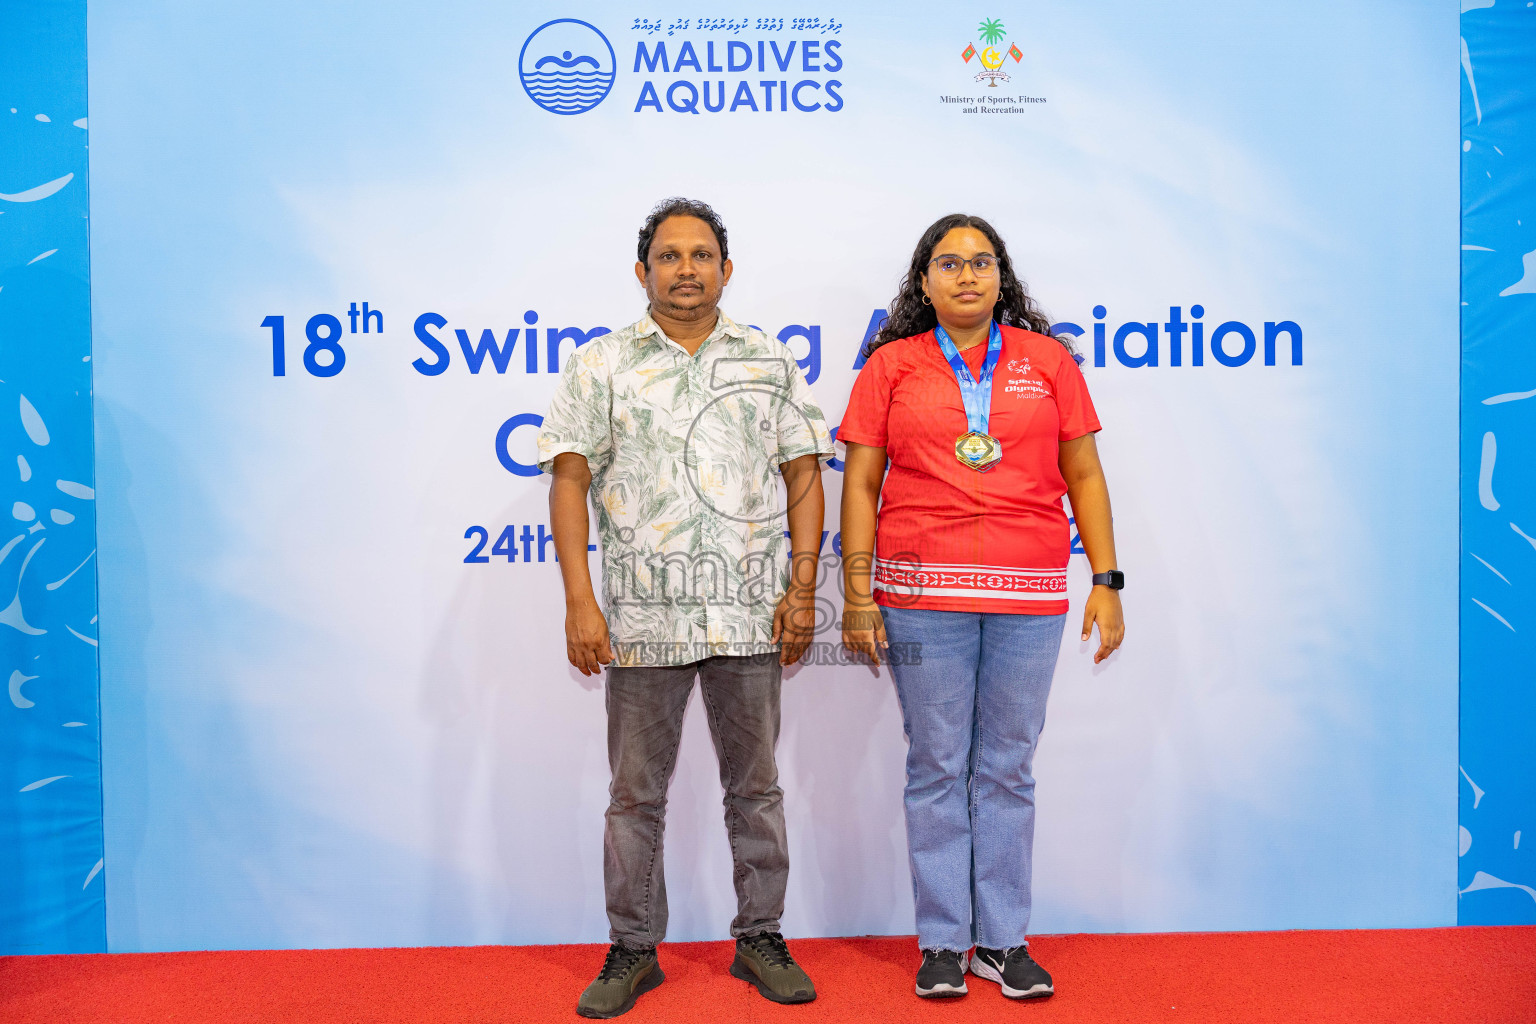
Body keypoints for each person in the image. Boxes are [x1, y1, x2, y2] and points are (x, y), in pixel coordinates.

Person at [539, 197, 833, 1019]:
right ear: (642, 271)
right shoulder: (600, 364)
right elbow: (570, 481)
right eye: (668, 256)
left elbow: (804, 472)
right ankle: (633, 951)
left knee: (758, 790)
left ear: (725, 269)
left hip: (747, 613)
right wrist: (579, 601)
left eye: (701, 255)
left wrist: (802, 589)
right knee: (635, 795)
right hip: (639, 620)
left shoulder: (765, 360)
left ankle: (761, 939)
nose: (686, 269)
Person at [839, 213, 1125, 1001]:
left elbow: (1086, 475)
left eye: (981, 262)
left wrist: (1107, 579)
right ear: (923, 282)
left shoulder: (1049, 361)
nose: (966, 276)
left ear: (1002, 277)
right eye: (948, 263)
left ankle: (1001, 941)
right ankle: (940, 941)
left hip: (1030, 594)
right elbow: (860, 484)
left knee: (1006, 766)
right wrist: (857, 593)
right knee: (936, 764)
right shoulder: (890, 366)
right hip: (918, 594)